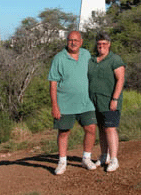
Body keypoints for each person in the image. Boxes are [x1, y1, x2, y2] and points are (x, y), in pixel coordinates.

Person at [48, 31, 97, 175]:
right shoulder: (59, 58)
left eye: (76, 40)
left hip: (86, 102)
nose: (73, 43)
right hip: (65, 104)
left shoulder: (86, 55)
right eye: (70, 40)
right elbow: (53, 84)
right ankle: (62, 161)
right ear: (67, 41)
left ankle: (86, 158)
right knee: (64, 132)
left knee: (91, 129)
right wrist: (55, 106)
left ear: (81, 42)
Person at [88, 32, 126, 172]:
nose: (101, 46)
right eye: (99, 44)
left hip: (109, 100)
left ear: (109, 44)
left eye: (104, 44)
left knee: (110, 128)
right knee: (101, 128)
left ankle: (114, 159)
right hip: (94, 101)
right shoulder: (92, 60)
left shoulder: (115, 59)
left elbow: (120, 79)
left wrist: (114, 98)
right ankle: (104, 155)